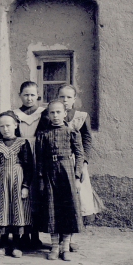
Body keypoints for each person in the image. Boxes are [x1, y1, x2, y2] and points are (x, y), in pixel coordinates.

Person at [39, 84, 100, 252]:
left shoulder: (81, 117)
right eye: (62, 97)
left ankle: (69, 240)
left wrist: (83, 163)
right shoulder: (48, 116)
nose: (65, 100)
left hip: (73, 164)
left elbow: (86, 142)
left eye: (68, 97)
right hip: (53, 164)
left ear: (74, 99)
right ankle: (55, 241)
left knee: (74, 202)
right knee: (55, 203)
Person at [35, 100, 84, 261]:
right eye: (52, 113)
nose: (55, 116)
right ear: (48, 115)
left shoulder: (72, 131)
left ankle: (65, 247)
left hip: (67, 172)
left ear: (64, 113)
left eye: (58, 112)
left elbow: (80, 155)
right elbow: (40, 159)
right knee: (52, 208)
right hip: (50, 172)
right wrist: (41, 178)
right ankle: (55, 246)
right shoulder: (43, 134)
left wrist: (77, 177)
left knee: (67, 209)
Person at [0, 111, 34, 258]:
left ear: (15, 125)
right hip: (0, 182)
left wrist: (25, 186)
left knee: (17, 211)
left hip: (18, 183)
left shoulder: (23, 143)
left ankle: (16, 245)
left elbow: (29, 166)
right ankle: (2, 245)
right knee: (2, 210)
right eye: (2, 126)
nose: (5, 129)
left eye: (8, 125)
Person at [13, 81, 45, 249]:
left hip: (38, 152)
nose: (29, 98)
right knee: (23, 193)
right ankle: (24, 233)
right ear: (20, 95)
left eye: (32, 95)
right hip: (22, 154)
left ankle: (36, 234)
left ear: (37, 95)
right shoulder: (14, 114)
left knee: (37, 195)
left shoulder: (44, 113)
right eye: (26, 94)